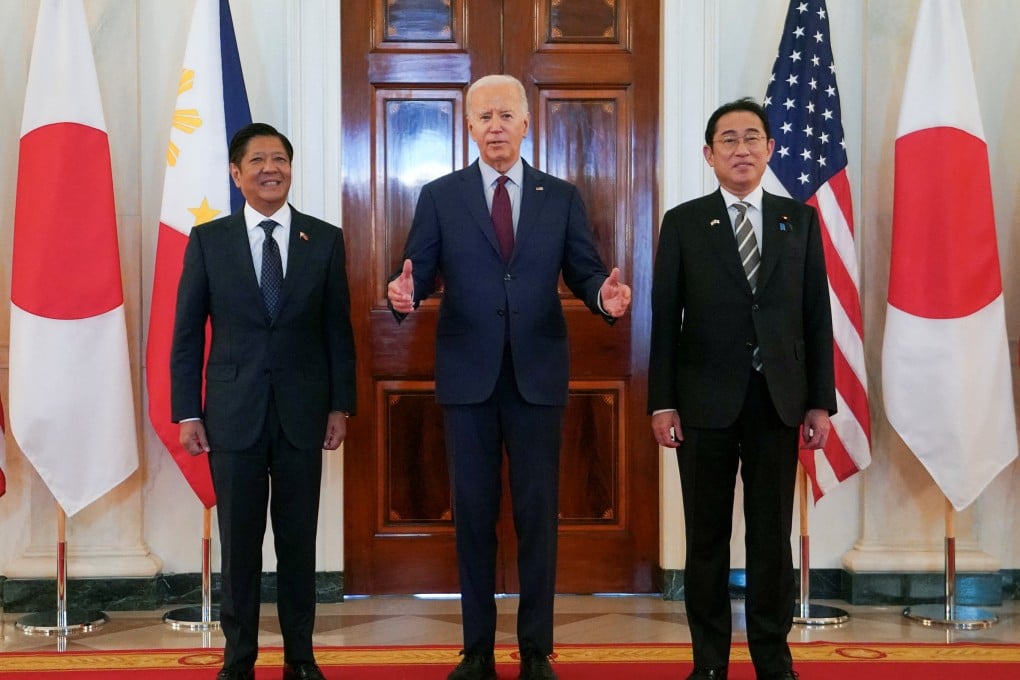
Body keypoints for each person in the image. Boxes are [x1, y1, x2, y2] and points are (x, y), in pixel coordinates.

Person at [387, 74, 631, 680]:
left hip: (537, 377)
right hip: (468, 379)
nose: (495, 127)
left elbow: (585, 272)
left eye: (506, 115)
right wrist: (402, 295)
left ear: (527, 124)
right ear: (468, 128)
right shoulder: (441, 196)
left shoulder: (561, 196)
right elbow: (415, 273)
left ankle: (534, 649)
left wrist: (605, 296)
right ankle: (475, 650)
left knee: (537, 517)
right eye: (484, 117)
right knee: (471, 516)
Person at [647, 98, 835, 680]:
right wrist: (662, 401)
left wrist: (819, 401)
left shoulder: (797, 221)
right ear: (709, 155)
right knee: (705, 541)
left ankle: (773, 661)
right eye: (727, 139)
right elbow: (664, 319)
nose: (741, 148)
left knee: (771, 541)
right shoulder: (682, 223)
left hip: (779, 403)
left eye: (752, 137)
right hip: (703, 403)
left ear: (770, 148)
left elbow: (816, 317)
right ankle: (708, 663)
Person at [171, 122, 356, 680]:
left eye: (280, 158)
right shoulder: (209, 240)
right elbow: (185, 335)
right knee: (242, 545)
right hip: (232, 414)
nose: (270, 168)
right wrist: (188, 410)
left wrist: (339, 405)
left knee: (299, 542)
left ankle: (301, 656)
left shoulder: (323, 240)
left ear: (291, 169)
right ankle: (239, 658)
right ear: (237, 173)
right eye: (257, 160)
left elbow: (337, 332)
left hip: (304, 414)